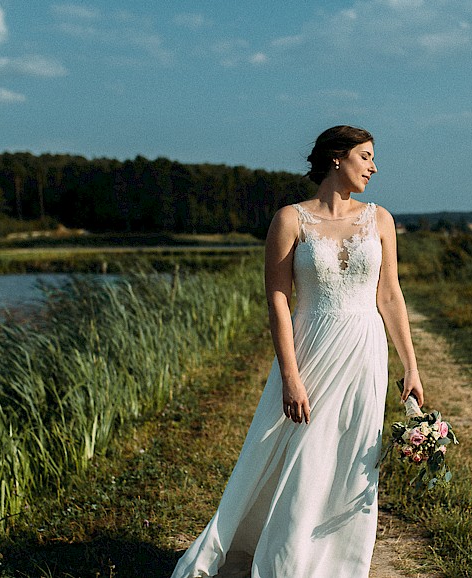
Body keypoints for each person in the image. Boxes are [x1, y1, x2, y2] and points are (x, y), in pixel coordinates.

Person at [169, 125, 425, 578]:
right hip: (311, 350)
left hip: (365, 352)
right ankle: (282, 562)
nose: (374, 167)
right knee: (299, 455)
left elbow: (390, 295)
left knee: (351, 459)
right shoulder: (290, 219)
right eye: (365, 157)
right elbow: (278, 298)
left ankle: (340, 566)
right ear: (335, 158)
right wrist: (290, 374)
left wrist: (411, 367)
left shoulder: (379, 219)